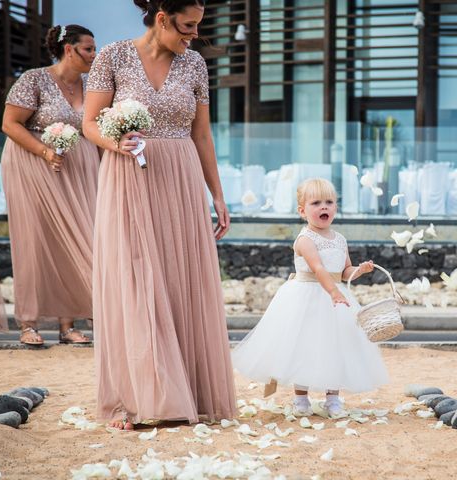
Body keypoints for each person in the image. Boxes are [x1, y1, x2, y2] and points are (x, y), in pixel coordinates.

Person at [82, 0, 237, 429]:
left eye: (198, 27)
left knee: (178, 278)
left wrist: (218, 195)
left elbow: (201, 133)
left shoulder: (195, 65)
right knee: (134, 277)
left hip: (182, 179)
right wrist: (114, 143)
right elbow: (89, 122)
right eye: (188, 26)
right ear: (163, 18)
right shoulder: (113, 56)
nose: (193, 35)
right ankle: (134, 399)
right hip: (128, 173)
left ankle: (184, 393)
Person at [232, 178, 389, 417]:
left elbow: (343, 272)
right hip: (308, 296)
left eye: (329, 202)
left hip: (336, 296)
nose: (324, 207)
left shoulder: (340, 239)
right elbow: (318, 268)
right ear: (302, 210)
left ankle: (333, 397)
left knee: (336, 344)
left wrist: (360, 270)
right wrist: (334, 292)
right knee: (304, 343)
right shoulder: (305, 239)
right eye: (316, 203)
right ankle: (301, 398)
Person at [1, 24, 99, 346]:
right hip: (33, 166)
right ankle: (29, 322)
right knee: (35, 239)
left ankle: (67, 324)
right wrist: (45, 151)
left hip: (78, 171)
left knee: (76, 239)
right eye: (88, 49)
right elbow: (10, 124)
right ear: (68, 49)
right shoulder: (34, 79)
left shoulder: (92, 86)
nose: (94, 55)